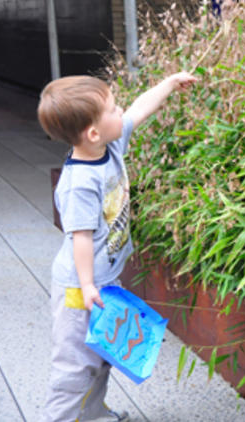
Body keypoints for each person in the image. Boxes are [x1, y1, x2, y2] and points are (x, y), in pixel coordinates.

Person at [37, 71, 198, 422]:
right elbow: (79, 238)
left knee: (102, 354)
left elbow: (139, 109)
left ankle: (92, 414)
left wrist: (169, 84)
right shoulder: (79, 182)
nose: (120, 110)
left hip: (103, 282)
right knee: (76, 367)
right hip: (79, 290)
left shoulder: (108, 146)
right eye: (112, 108)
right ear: (93, 132)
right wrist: (89, 284)